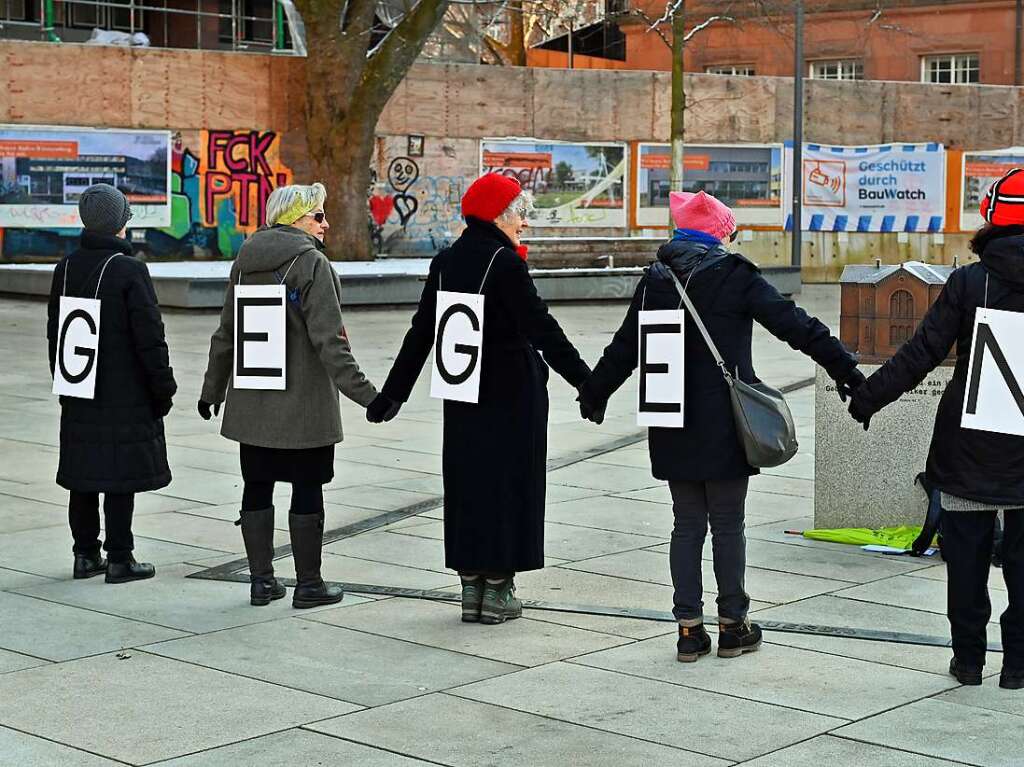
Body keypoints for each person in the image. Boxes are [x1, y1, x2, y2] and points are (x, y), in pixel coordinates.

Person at [577, 191, 862, 662]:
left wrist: (595, 391)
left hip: (670, 420)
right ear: (718, 232)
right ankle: (734, 624)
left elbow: (625, 347)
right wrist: (843, 366)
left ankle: (689, 630)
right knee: (728, 524)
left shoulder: (655, 281)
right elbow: (795, 324)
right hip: (726, 422)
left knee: (686, 523)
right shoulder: (734, 275)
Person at [366, 173, 591, 625]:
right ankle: (500, 591)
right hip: (512, 398)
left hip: (462, 394)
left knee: (469, 487)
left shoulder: (447, 261)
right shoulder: (505, 264)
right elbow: (542, 328)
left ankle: (471, 589)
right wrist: (588, 383)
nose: (524, 223)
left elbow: (421, 333)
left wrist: (392, 395)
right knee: (509, 488)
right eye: (520, 215)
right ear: (498, 216)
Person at [849, 167, 1024, 690]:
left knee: (965, 559)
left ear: (991, 217)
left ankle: (968, 660)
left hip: (967, 449)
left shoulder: (970, 282)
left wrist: (867, 397)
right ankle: (1018, 665)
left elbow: (922, 352)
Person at [199, 183, 379, 609]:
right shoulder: (312, 263)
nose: (326, 223)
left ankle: (261, 582)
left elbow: (227, 334)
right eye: (319, 215)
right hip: (303, 408)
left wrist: (212, 390)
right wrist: (370, 397)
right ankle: (309, 584)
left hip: (253, 408)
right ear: (296, 219)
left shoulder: (244, 261)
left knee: (256, 487)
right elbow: (330, 343)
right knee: (306, 488)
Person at [47, 183, 176, 583]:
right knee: (121, 475)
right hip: (126, 392)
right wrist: (163, 387)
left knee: (83, 472)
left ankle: (84, 554)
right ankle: (120, 556)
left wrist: (63, 379)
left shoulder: (66, 267)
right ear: (119, 223)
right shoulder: (129, 269)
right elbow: (149, 336)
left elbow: (56, 331)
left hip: (79, 385)